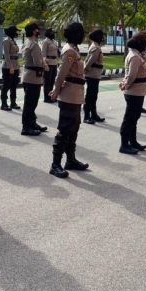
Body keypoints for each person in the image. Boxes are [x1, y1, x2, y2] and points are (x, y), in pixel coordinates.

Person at [49, 22, 89, 178]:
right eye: (81, 33)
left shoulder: (74, 49)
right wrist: (56, 90)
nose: (83, 36)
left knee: (74, 128)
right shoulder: (69, 51)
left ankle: (70, 160)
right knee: (65, 130)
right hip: (69, 95)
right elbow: (61, 74)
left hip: (76, 94)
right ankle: (55, 164)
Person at [119, 33, 146, 154]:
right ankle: (124, 144)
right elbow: (132, 75)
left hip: (137, 90)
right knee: (130, 118)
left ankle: (133, 141)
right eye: (144, 43)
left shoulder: (137, 55)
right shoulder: (135, 57)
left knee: (134, 117)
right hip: (134, 91)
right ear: (139, 43)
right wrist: (125, 85)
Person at [21, 21, 46, 136]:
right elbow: (37, 62)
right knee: (30, 103)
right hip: (33, 77)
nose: (38, 31)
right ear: (33, 31)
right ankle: (26, 127)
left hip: (29, 76)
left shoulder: (28, 42)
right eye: (37, 29)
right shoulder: (34, 45)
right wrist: (45, 63)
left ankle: (32, 123)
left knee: (31, 103)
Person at [83, 28, 106, 124]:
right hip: (92, 74)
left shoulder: (96, 46)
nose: (103, 37)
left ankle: (94, 114)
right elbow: (90, 61)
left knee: (94, 95)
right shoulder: (96, 48)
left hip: (95, 74)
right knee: (90, 96)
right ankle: (87, 116)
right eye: (102, 36)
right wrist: (85, 69)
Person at [0, 25, 21, 111]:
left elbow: (15, 55)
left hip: (15, 65)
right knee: (6, 85)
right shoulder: (6, 41)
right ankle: (4, 103)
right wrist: (10, 67)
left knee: (14, 85)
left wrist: (18, 67)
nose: (17, 33)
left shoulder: (13, 41)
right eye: (15, 31)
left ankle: (13, 102)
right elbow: (6, 55)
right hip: (8, 66)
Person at [42, 28, 58, 104]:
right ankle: (46, 97)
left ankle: (51, 96)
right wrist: (45, 65)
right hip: (48, 63)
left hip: (54, 62)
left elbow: (56, 53)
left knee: (52, 80)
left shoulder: (54, 41)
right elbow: (43, 54)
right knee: (47, 81)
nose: (53, 33)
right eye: (52, 32)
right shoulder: (45, 42)